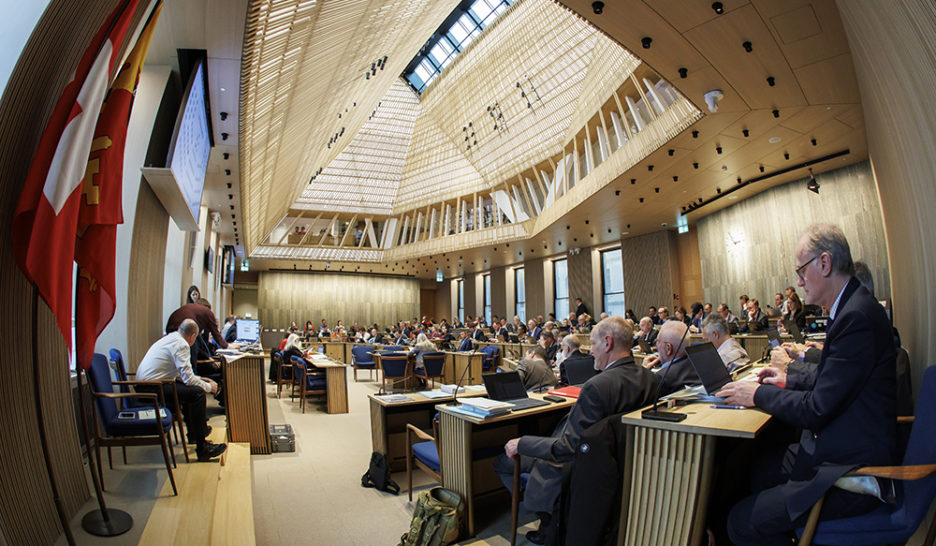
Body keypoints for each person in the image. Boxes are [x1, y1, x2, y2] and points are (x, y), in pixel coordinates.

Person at [717, 224, 896, 545]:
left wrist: (757, 393)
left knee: (738, 522)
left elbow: (816, 409)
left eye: (801, 270)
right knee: (754, 470)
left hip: (850, 471)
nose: (798, 282)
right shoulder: (853, 307)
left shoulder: (856, 317)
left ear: (824, 264)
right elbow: (834, 378)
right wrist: (788, 379)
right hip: (841, 445)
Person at [493, 317, 657, 545]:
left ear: (607, 343)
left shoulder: (596, 386)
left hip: (578, 469)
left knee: (502, 460)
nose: (591, 352)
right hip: (621, 468)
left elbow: (567, 448)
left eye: (593, 344)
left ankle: (547, 520)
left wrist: (521, 443)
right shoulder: (649, 378)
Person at [135, 319, 227, 462]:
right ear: (192, 336)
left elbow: (182, 375)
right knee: (198, 394)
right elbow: (188, 379)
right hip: (152, 387)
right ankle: (202, 448)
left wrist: (201, 380)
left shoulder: (171, 338)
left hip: (150, 384)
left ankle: (195, 435)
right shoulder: (182, 344)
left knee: (193, 391)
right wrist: (210, 387)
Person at [641, 320, 697, 396]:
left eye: (658, 341)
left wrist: (643, 372)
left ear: (668, 348)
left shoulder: (662, 378)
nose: (657, 345)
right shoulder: (697, 365)